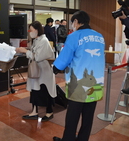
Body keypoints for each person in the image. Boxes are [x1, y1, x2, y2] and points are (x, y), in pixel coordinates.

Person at [52, 11, 105, 141]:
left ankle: (68, 139)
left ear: (76, 21)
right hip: (96, 82)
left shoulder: (74, 36)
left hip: (79, 84)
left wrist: (55, 68)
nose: (72, 25)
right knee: (88, 116)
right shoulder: (99, 36)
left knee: (72, 116)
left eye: (72, 22)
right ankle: (83, 139)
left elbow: (64, 58)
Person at [16, 21, 56, 122]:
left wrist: (25, 51)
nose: (30, 32)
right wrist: (26, 50)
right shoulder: (36, 40)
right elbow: (33, 52)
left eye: (31, 30)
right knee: (34, 90)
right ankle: (34, 111)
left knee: (45, 90)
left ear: (37, 30)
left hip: (44, 70)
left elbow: (38, 57)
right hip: (36, 70)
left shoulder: (44, 41)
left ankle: (49, 112)